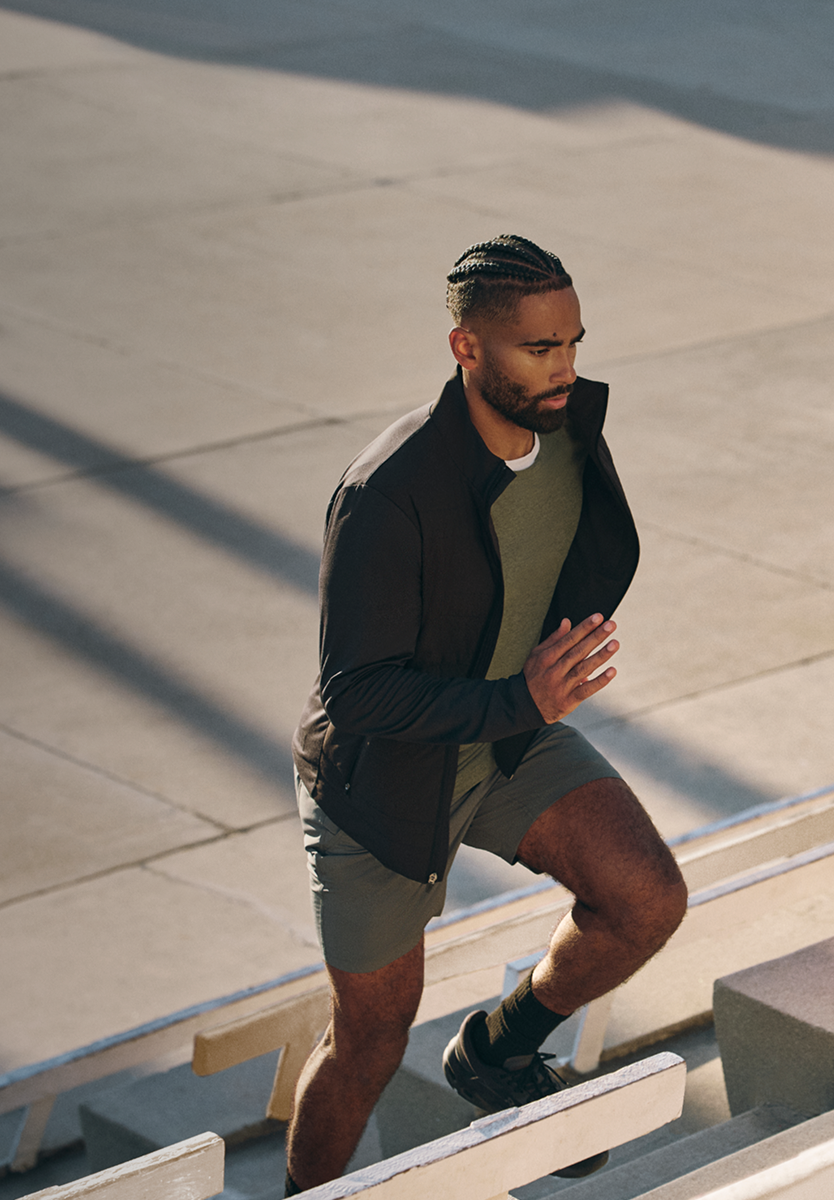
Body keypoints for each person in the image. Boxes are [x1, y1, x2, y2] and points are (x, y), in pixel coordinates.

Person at [285, 235, 689, 1190]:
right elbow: (358, 692)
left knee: (645, 896)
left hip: (505, 739)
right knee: (371, 1039)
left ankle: (499, 1053)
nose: (564, 369)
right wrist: (522, 695)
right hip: (383, 783)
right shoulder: (388, 495)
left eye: (573, 342)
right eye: (537, 349)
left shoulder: (565, 433)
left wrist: (524, 699)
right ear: (467, 349)